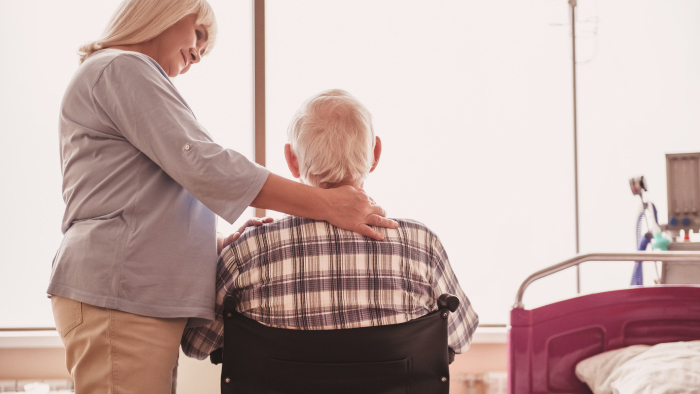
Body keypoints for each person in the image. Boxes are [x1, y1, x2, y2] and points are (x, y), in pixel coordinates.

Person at [48, 1, 397, 393]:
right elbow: (201, 162)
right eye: (197, 34)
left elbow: (135, 202)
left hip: (130, 295)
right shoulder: (120, 66)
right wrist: (327, 205)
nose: (197, 54)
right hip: (121, 295)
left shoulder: (123, 77)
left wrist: (211, 245)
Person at [181, 89, 479, 360]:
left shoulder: (247, 250)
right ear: (375, 153)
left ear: (292, 160)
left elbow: (196, 344)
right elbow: (461, 338)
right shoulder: (422, 245)